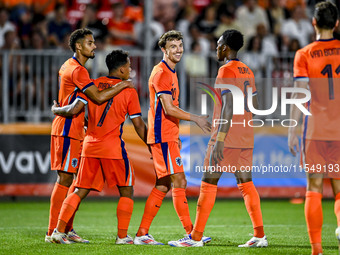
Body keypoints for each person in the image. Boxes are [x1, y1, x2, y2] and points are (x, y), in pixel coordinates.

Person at [172, 29, 268, 247]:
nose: (215, 48)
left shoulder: (225, 71)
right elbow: (256, 105)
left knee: (208, 183)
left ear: (225, 47)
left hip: (226, 137)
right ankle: (259, 236)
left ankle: (195, 238)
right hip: (245, 135)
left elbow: (228, 105)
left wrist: (221, 139)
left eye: (217, 44)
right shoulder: (248, 71)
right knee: (246, 184)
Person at [50, 49, 148, 244]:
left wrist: (56, 109)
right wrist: (151, 145)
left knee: (80, 190)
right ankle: (122, 237)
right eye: (128, 66)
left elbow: (77, 109)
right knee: (127, 189)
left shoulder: (91, 85)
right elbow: (138, 124)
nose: (130, 69)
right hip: (113, 148)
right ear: (121, 69)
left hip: (89, 145)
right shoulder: (128, 90)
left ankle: (58, 232)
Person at [133, 30, 211, 245]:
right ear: (163, 50)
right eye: (173, 47)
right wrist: (196, 118)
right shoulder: (161, 73)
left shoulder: (170, 71)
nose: (178, 50)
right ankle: (192, 234)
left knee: (164, 184)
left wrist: (174, 134)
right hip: (162, 136)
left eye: (180, 45)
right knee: (180, 181)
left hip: (167, 136)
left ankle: (142, 233)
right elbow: (168, 108)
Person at [288, 2, 340, 255]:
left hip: (315, 130)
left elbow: (299, 94)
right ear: (337, 23)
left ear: (314, 23)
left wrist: (292, 129)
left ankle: (316, 250)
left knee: (314, 188)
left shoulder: (304, 54)